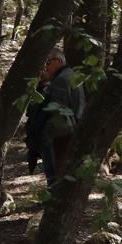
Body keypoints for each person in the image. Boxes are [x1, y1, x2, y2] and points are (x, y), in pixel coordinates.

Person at [29, 49, 84, 181]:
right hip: (70, 130)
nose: (46, 67)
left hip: (58, 134)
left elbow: (57, 109)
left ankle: (54, 199)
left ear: (58, 61)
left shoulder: (61, 80)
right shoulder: (70, 75)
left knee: (54, 172)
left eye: (48, 62)